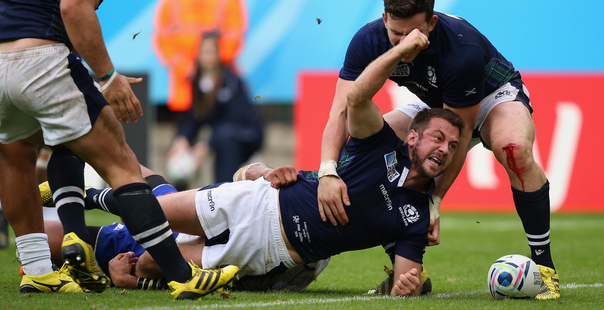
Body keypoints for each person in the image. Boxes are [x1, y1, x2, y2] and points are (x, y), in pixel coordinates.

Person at [78, 42, 466, 296]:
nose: (444, 149)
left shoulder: (417, 218)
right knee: (151, 211)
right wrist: (399, 51)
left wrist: (406, 286)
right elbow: (358, 95)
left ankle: (110, 253)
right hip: (254, 200)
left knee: (152, 262)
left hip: (270, 250)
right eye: (437, 138)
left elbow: (405, 280)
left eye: (452, 146)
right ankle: (87, 196)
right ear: (412, 138)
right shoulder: (381, 143)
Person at [0, 0, 237, 299]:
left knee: (17, 157)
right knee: (122, 164)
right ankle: (182, 276)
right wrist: (108, 77)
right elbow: (74, 7)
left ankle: (38, 271)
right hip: (40, 57)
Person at [316, 0, 559, 299]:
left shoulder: (461, 50)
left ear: (431, 24)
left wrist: (434, 202)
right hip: (434, 103)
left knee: (514, 149)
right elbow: (342, 112)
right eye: (396, 35)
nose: (405, 43)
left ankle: (544, 267)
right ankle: (408, 271)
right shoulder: (367, 40)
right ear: (384, 20)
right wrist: (327, 170)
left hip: (492, 95)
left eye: (413, 34)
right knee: (363, 153)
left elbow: (461, 130)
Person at [40, 167, 329, 292]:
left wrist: (129, 282)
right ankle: (83, 196)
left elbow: (149, 265)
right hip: (194, 214)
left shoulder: (292, 256)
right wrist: (266, 170)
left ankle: (42, 256)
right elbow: (245, 172)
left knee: (37, 238)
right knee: (122, 160)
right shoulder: (312, 196)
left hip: (153, 245)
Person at [167, 32, 263, 187]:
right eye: (204, 51)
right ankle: (181, 196)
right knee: (184, 148)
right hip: (222, 135)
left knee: (224, 140)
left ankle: (224, 191)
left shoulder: (231, 81)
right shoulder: (197, 83)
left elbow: (234, 119)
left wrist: (206, 145)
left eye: (211, 51)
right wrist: (182, 138)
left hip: (247, 134)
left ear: (218, 55)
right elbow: (195, 118)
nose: (208, 56)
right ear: (197, 55)